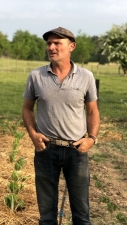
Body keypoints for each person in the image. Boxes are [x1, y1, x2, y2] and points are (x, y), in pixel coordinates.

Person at [22, 27, 100, 225]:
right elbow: (27, 109)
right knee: (47, 215)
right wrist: (33, 135)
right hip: (46, 149)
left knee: (81, 214)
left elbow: (92, 110)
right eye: (49, 43)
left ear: (71, 46)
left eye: (57, 43)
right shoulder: (36, 76)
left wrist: (91, 138)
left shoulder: (86, 76)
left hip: (76, 150)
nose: (51, 47)